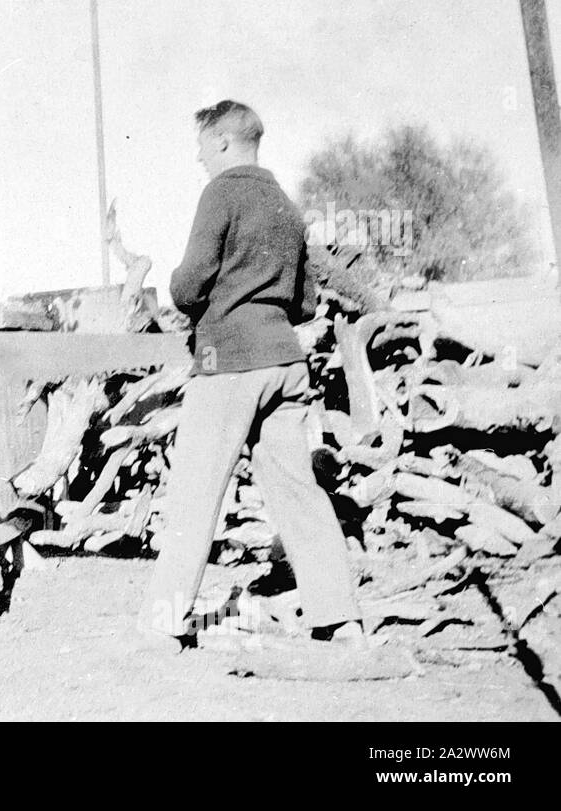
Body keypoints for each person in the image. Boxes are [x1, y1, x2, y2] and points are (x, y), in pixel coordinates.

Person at [133, 100, 364, 652]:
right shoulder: (285, 203)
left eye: (201, 146)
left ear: (222, 142)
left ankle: (163, 625)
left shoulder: (221, 192)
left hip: (228, 364)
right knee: (300, 493)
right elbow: (306, 301)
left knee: (193, 495)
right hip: (285, 365)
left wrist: (194, 293)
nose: (197, 157)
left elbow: (188, 286)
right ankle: (343, 619)